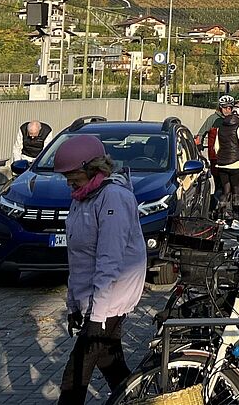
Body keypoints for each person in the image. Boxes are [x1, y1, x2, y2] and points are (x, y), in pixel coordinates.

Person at [53, 134, 145, 404]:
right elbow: (78, 256)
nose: (69, 183)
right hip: (93, 298)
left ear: (92, 170)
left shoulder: (113, 198)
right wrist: (73, 305)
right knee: (109, 361)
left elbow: (109, 260)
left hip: (112, 297)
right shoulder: (82, 198)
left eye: (73, 176)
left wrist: (97, 317)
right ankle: (138, 399)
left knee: (75, 376)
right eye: (66, 178)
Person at [198, 95, 239, 216]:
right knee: (222, 188)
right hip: (217, 158)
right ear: (220, 108)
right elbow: (200, 135)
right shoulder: (213, 119)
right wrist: (199, 149)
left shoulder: (232, 121)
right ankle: (214, 210)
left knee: (226, 189)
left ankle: (220, 212)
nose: (227, 110)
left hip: (221, 159)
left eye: (230, 108)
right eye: (224, 108)